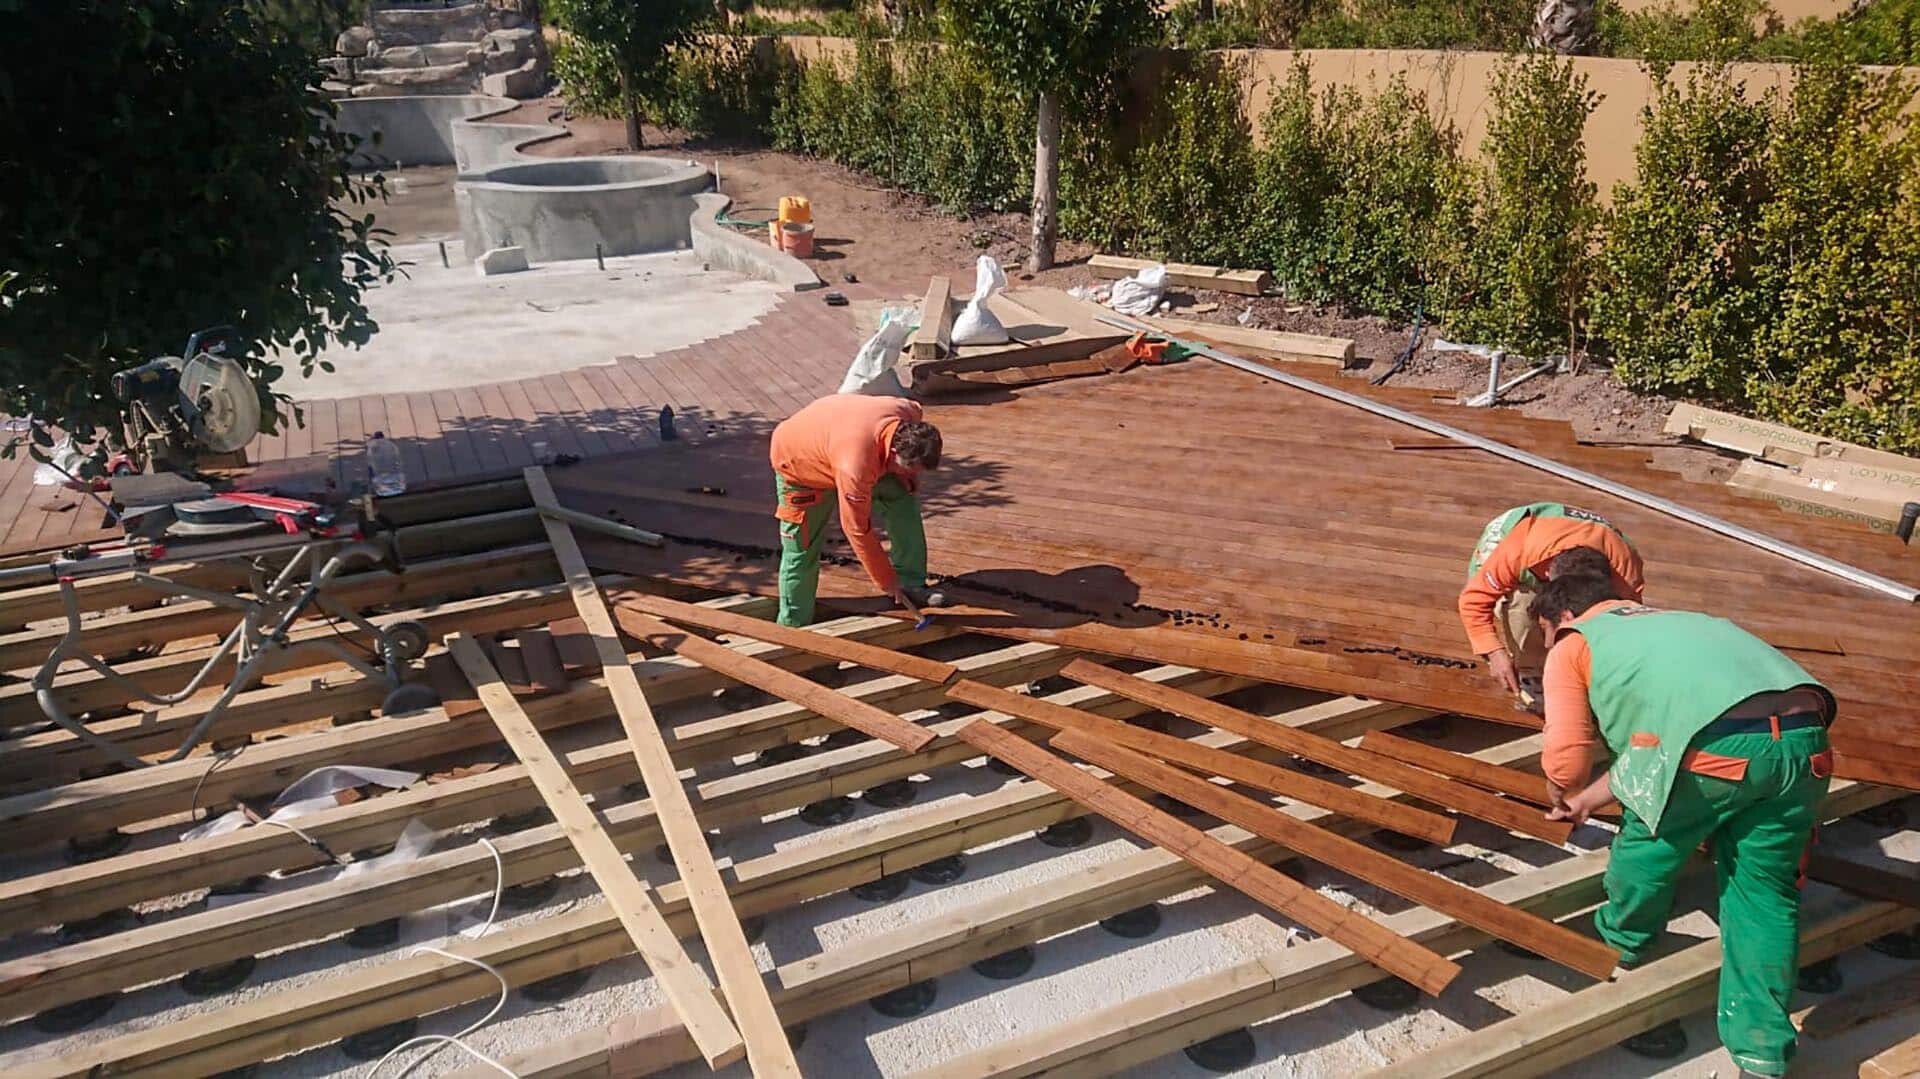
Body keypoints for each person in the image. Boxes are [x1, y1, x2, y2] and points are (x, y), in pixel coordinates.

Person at [1531, 573, 1836, 1079]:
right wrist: (1589, 800)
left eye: (1544, 634)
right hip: (1806, 743)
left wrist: (1562, 787)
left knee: (1650, 844)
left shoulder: (1576, 641)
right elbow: (1661, 741)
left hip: (1716, 749)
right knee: (1764, 895)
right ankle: (1761, 1053)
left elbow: (1569, 754)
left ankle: (1621, 939)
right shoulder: (1683, 622)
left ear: (1561, 618)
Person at [769, 394, 947, 627]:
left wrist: (909, 477)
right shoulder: (856, 467)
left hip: (836, 441)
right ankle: (792, 624)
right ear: (894, 452)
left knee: (903, 499)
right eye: (909, 468)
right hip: (799, 465)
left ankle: (911, 582)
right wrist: (886, 580)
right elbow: (857, 529)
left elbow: (906, 443)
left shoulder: (908, 411)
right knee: (801, 549)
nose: (912, 473)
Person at [1459, 502, 1645, 706]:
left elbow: (1625, 623)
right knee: (1523, 601)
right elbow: (1472, 601)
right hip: (1518, 536)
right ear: (1548, 574)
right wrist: (1494, 653)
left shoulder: (1625, 571)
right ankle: (1531, 675)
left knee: (1599, 615)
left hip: (1574, 538)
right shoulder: (1517, 551)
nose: (1549, 644)